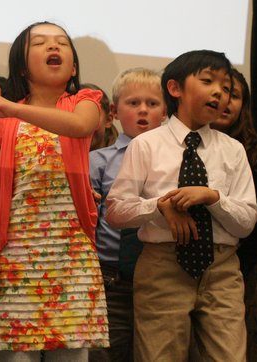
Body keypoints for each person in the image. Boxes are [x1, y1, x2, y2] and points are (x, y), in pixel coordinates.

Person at [106, 50, 257, 361]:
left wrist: (213, 197)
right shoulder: (146, 144)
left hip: (222, 268)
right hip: (163, 265)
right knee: (159, 355)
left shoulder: (233, 150)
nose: (220, 92)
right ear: (175, 89)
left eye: (227, 88)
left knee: (229, 355)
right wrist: (160, 206)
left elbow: (246, 222)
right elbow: (116, 211)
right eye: (208, 81)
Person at [0, 21, 109, 361]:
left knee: (73, 354)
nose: (54, 47)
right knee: (16, 355)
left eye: (62, 43)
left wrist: (12, 108)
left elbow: (79, 127)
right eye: (41, 43)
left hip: (73, 255)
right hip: (16, 255)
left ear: (74, 65)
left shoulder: (86, 101)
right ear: (22, 63)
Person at [89, 68, 166, 362]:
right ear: (114, 111)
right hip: (111, 279)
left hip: (162, 277)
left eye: (152, 103)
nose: (143, 111)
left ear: (166, 111)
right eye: (133, 103)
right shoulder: (99, 161)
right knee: (105, 353)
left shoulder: (175, 159)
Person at [210, 68, 257, 360]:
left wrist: (237, 269)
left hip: (242, 269)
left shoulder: (251, 152)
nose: (226, 101)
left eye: (235, 96)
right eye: (220, 92)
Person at [81, 83, 118, 151]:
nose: (81, 124)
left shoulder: (123, 158)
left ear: (108, 120)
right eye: (72, 115)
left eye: (91, 115)